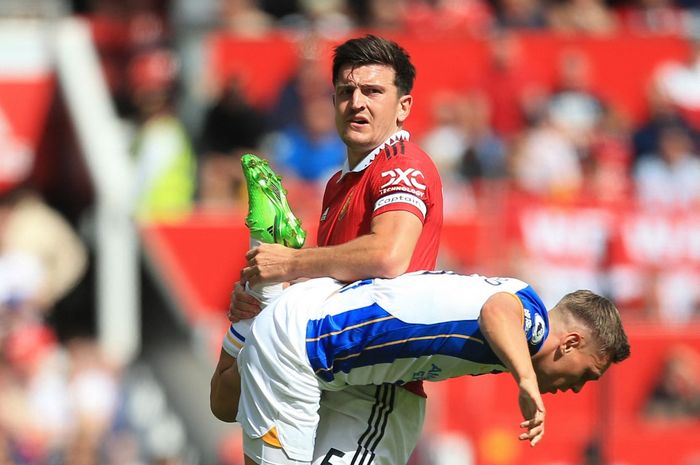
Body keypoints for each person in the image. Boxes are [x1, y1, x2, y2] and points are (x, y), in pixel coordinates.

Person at [213, 34, 444, 465]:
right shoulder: (340, 184)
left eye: (373, 91)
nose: (357, 102)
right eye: (346, 91)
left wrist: (291, 263)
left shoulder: (403, 163)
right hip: (331, 378)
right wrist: (266, 306)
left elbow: (388, 255)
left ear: (403, 107)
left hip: (375, 389)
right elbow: (222, 406)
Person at [211, 270, 631, 465]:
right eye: (587, 375)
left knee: (223, 404)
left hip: (309, 315)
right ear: (571, 342)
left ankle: (253, 316)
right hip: (306, 348)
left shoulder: (522, 296)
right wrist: (526, 382)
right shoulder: (533, 327)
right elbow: (497, 311)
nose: (576, 389)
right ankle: (260, 311)